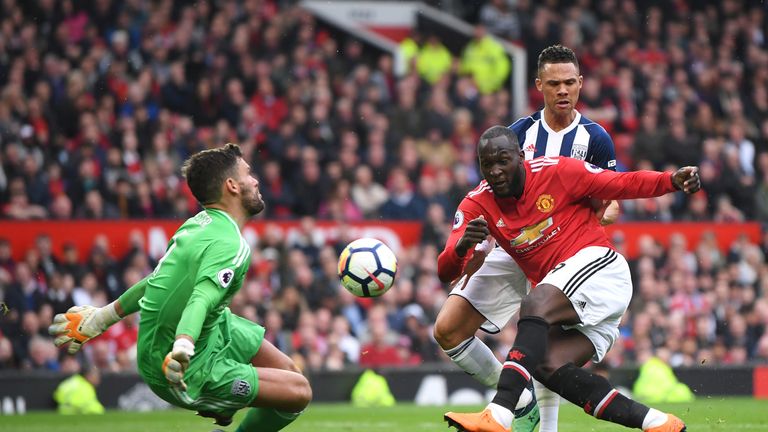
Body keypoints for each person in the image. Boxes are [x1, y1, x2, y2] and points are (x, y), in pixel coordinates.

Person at [439, 126, 699, 432]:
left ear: (521, 157)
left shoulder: (558, 172)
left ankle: (500, 412)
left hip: (601, 270)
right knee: (547, 366)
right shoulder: (477, 203)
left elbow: (620, 183)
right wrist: (460, 248)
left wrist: (670, 180)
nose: (495, 171)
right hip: (572, 296)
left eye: (503, 160)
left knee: (534, 302)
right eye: (486, 164)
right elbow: (445, 271)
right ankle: (658, 423)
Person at [49, 143, 312, 432]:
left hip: (197, 334)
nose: (256, 180)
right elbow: (200, 297)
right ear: (232, 186)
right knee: (299, 392)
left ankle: (225, 399)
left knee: (288, 373)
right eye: (249, 174)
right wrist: (183, 346)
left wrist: (101, 318)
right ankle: (220, 402)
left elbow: (156, 283)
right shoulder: (232, 246)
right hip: (183, 368)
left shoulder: (196, 224)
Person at [433, 44, 619, 432]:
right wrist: (477, 246)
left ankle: (541, 427)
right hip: (512, 247)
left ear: (581, 83)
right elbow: (491, 195)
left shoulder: (595, 139)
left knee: (546, 342)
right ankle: (519, 398)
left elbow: (612, 201)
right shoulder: (518, 134)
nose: (563, 91)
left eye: (570, 82)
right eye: (554, 84)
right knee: (447, 328)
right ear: (539, 86)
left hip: (563, 253)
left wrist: (596, 212)